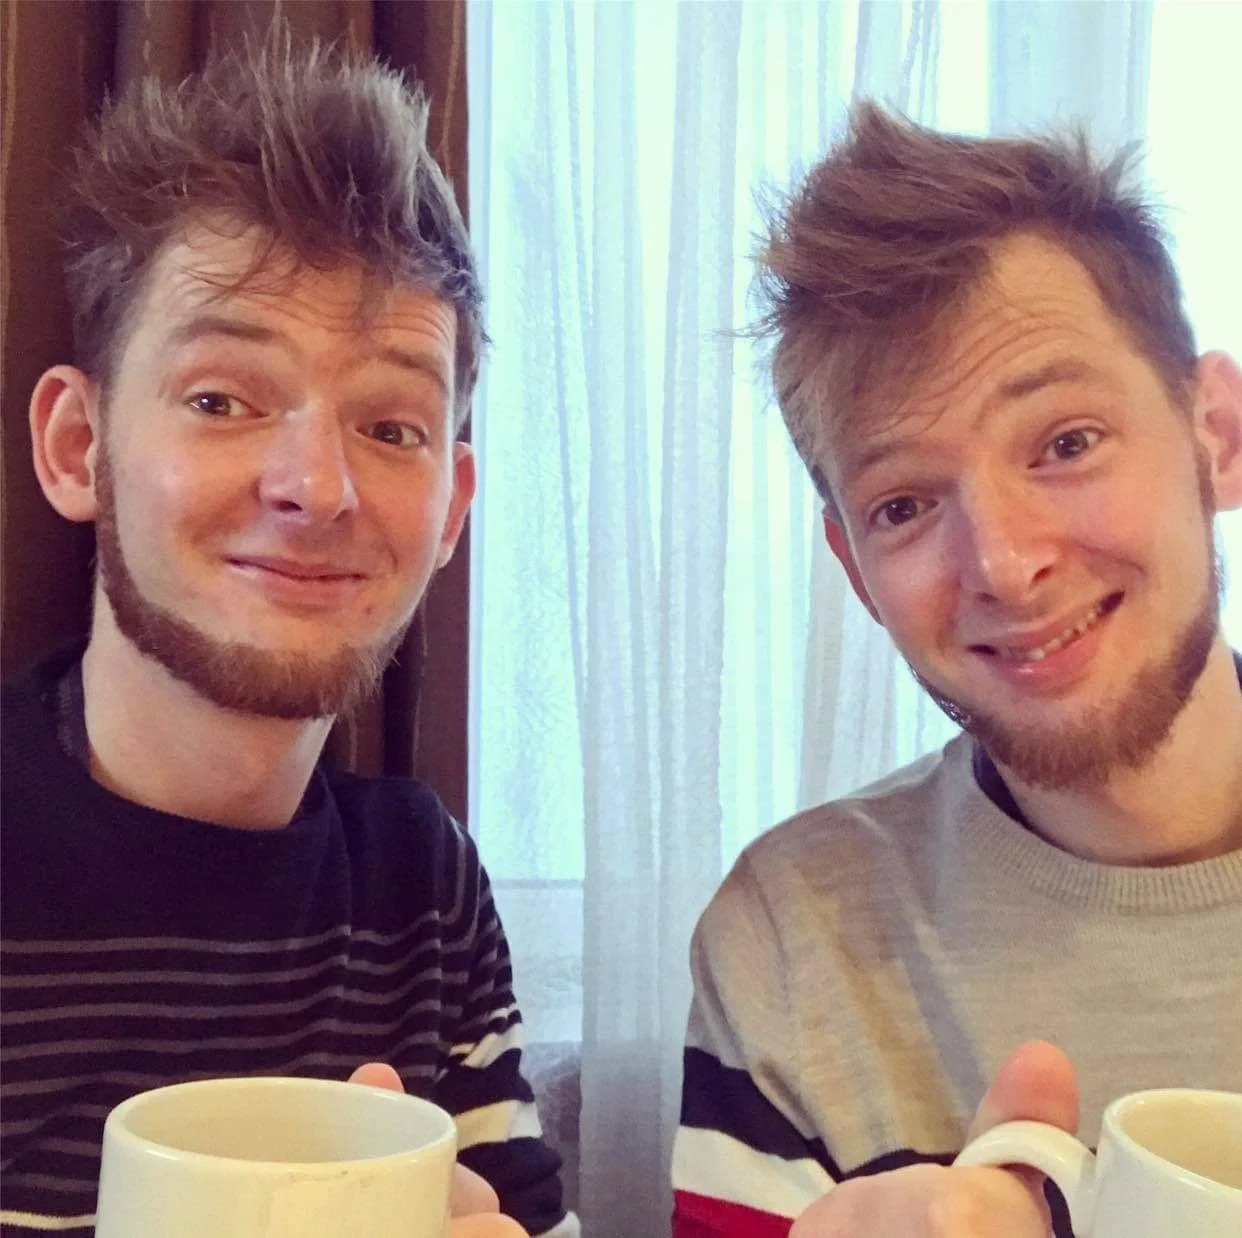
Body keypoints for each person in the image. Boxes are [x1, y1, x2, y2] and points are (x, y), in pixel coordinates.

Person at [0, 36, 575, 1238]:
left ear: (452, 508)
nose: (317, 484)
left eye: (393, 425)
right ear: (76, 447)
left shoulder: (422, 886)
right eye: (222, 400)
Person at [672, 102, 1242, 1238]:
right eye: (904, 504)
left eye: (1066, 441)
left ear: (1215, 433)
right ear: (852, 565)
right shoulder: (794, 938)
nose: (1005, 562)